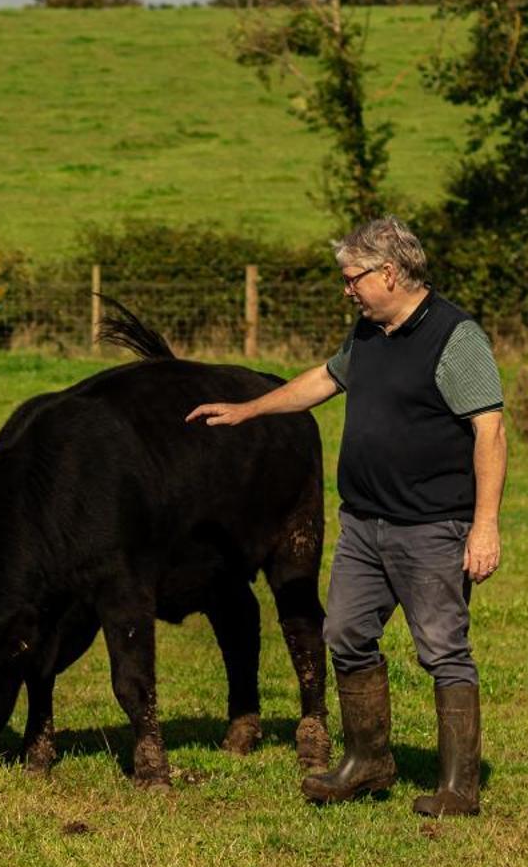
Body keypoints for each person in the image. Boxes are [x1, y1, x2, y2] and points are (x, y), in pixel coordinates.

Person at [187, 217, 505, 816]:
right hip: (364, 524)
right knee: (345, 634)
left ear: (389, 273)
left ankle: (459, 788)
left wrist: (484, 525)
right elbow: (325, 380)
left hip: (432, 526)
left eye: (352, 278)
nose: (346, 289)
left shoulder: (455, 337)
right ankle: (368, 763)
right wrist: (248, 409)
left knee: (442, 648)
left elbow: (490, 430)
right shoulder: (368, 334)